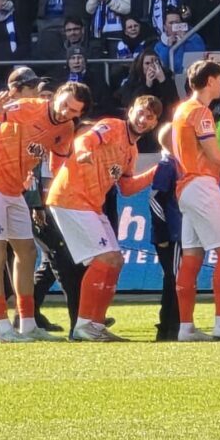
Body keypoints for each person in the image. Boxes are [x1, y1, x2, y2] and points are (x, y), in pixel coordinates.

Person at [0, 81, 86, 342]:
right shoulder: (27, 106)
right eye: (65, 105)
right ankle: (2, 328)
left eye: (73, 111)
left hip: (15, 189)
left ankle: (28, 323)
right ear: (57, 96)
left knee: (27, 251)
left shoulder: (66, 128)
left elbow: (58, 160)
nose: (66, 112)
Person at [44, 95, 164, 341]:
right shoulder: (113, 126)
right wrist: (86, 151)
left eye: (150, 117)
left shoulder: (132, 150)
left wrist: (156, 171)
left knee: (116, 261)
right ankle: (84, 324)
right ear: (130, 111)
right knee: (105, 258)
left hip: (91, 205)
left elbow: (127, 188)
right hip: (70, 197)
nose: (143, 119)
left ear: (154, 124)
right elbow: (86, 138)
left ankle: (96, 325)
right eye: (140, 112)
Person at [167, 60, 220, 341]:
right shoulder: (201, 112)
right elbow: (214, 156)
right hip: (202, 184)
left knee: (192, 257)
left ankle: (186, 327)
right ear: (210, 81)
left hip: (186, 188)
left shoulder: (181, 110)